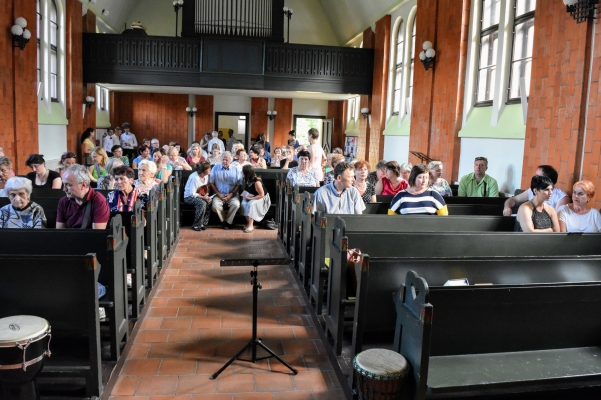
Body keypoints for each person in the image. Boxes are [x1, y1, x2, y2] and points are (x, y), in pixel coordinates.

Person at [57, 164, 110, 229]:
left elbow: (97, 235)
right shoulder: (63, 201)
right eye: (64, 184)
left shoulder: (99, 201)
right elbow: (60, 233)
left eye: (68, 185)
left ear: (83, 185)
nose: (64, 189)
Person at [503, 165, 569, 216]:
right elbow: (513, 199)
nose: (534, 178)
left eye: (537, 176)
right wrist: (507, 207)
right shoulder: (533, 190)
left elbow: (558, 221)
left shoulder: (561, 197)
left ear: (547, 180)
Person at [209, 151, 242, 229]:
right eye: (223, 159)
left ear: (230, 161)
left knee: (236, 204)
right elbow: (211, 183)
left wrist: (231, 194)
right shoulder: (215, 168)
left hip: (232, 194)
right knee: (215, 206)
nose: (224, 161)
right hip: (218, 194)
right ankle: (226, 220)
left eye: (226, 160)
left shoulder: (235, 169)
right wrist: (218, 194)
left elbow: (239, 184)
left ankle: (227, 223)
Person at [240, 164, 271, 233]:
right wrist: (245, 196)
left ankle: (251, 226)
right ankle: (248, 223)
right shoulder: (247, 179)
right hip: (252, 196)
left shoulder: (257, 182)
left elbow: (261, 195)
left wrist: (250, 198)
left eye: (242, 172)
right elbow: (249, 190)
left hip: (262, 199)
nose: (241, 173)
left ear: (247, 173)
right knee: (243, 203)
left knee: (251, 204)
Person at [184, 162, 212, 231]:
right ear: (204, 170)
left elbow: (204, 188)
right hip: (189, 197)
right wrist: (203, 197)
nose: (210, 170)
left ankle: (202, 223)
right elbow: (192, 193)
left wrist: (206, 195)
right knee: (202, 203)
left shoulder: (206, 176)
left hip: (199, 195)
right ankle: (196, 224)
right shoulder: (195, 178)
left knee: (209, 201)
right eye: (209, 169)